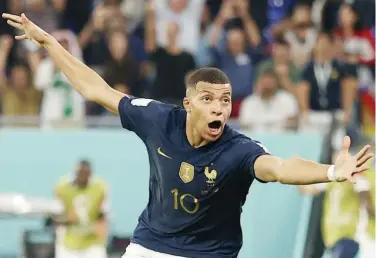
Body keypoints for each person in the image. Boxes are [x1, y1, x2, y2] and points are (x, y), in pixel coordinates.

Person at [2, 13, 373, 258]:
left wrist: (329, 171)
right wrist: (50, 44)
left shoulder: (238, 149)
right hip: (151, 246)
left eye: (225, 101)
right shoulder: (158, 120)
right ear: (188, 104)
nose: (218, 108)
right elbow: (96, 90)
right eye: (208, 99)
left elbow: (278, 167)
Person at [54, 160, 108, 258]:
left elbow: (103, 214)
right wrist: (66, 218)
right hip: (69, 244)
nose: (82, 177)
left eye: (85, 173)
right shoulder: (63, 188)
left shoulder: (99, 188)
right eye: (80, 173)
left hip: (92, 242)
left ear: (90, 174)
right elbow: (56, 216)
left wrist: (102, 228)